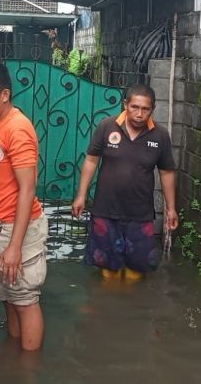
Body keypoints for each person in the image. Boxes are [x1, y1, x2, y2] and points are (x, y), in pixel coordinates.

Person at [0, 61, 48, 351]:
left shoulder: (17, 129)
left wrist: (15, 245)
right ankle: (12, 358)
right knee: (10, 298)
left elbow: (28, 189)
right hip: (1, 226)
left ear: (4, 95)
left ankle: (28, 370)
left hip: (20, 230)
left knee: (26, 301)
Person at [72, 84, 179, 282]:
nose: (139, 114)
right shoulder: (107, 126)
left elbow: (166, 172)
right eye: (134, 107)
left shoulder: (160, 136)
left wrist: (171, 208)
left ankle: (129, 305)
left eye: (145, 109)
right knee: (108, 270)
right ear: (125, 105)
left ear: (152, 109)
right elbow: (91, 160)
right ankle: (109, 306)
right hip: (105, 210)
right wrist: (81, 195)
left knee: (136, 271)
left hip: (139, 213)